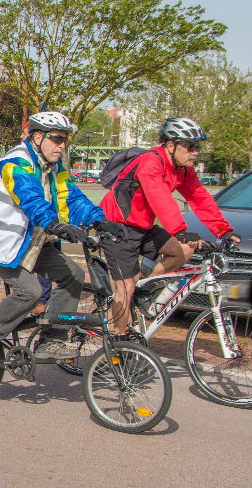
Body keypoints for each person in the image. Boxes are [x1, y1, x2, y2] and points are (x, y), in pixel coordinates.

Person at [0, 111, 123, 366]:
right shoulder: (16, 163)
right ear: (38, 137)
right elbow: (30, 199)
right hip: (0, 242)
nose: (62, 146)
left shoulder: (53, 167)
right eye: (57, 139)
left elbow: (72, 197)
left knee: (73, 274)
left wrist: (100, 220)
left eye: (65, 141)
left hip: (31, 242)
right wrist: (55, 224)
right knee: (30, 292)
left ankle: (52, 338)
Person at [99, 117, 241, 334]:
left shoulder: (182, 169)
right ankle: (119, 344)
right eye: (190, 147)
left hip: (143, 227)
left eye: (197, 147)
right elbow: (160, 197)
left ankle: (143, 289)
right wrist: (180, 230)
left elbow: (199, 197)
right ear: (171, 145)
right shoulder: (150, 162)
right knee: (124, 288)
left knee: (182, 251)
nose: (195, 152)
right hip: (117, 228)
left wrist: (224, 230)